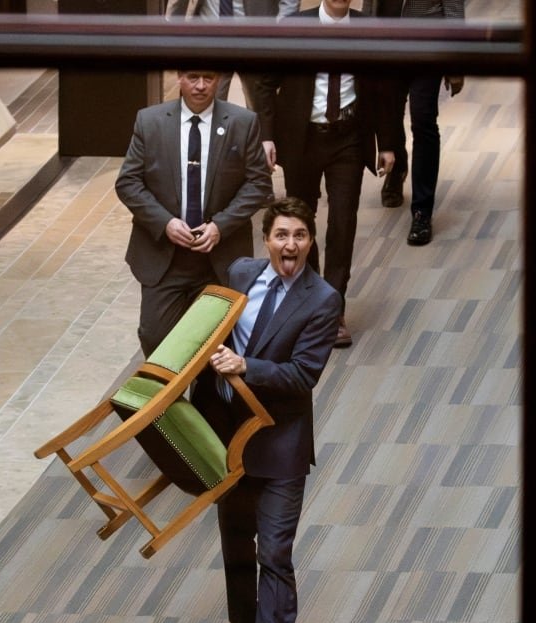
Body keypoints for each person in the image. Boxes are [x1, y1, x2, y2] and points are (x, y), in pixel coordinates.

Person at [191, 197, 341, 623]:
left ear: (311, 241)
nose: (290, 244)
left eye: (300, 235)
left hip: (280, 446)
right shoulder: (240, 274)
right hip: (228, 442)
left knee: (273, 552)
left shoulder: (323, 300)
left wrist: (245, 367)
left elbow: (302, 376)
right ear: (267, 240)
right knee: (236, 544)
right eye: (282, 235)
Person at [248, 0, 400, 348]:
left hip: (348, 138)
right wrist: (267, 135)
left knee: (343, 221)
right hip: (302, 139)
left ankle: (333, 308)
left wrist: (388, 143)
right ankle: (311, 301)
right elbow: (265, 84)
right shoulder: (293, 28)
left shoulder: (369, 31)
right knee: (301, 221)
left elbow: (383, 92)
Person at [116, 70, 274, 356]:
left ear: (218, 80)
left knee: (216, 346)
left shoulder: (243, 122)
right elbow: (128, 182)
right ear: (179, 77)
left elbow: (258, 184)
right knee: (155, 337)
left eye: (208, 78)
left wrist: (220, 226)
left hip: (219, 258)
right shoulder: (149, 121)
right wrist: (165, 222)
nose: (201, 86)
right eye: (193, 77)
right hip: (165, 258)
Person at [376, 0, 465, 246]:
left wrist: (456, 62)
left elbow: (454, 10)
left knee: (423, 120)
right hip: (388, 43)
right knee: (387, 113)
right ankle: (398, 168)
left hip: (428, 44)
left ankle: (422, 211)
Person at [162, 0, 300, 115]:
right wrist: (171, 30)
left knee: (259, 106)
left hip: (255, 38)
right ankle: (207, 139)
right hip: (209, 37)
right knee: (205, 104)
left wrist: (280, 31)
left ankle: (260, 139)